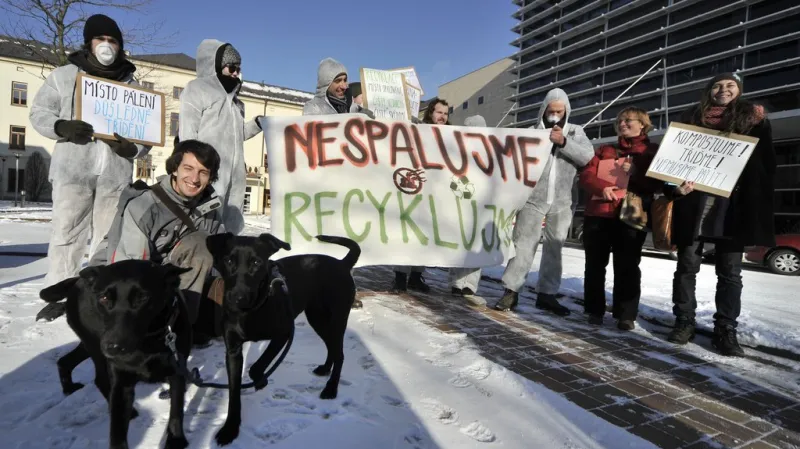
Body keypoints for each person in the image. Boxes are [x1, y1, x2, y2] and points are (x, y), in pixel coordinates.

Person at [30, 14, 151, 289]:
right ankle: (60, 288)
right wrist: (61, 126)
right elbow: (39, 112)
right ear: (89, 42)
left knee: (109, 237)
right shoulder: (64, 76)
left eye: (113, 41)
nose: (106, 45)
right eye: (101, 39)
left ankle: (101, 291)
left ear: (120, 46)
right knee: (67, 232)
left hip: (115, 175)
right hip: (73, 171)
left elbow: (145, 132)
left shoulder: (131, 87)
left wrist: (134, 149)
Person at [666, 73, 775, 356]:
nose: (723, 89)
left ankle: (726, 329)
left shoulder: (754, 120)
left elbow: (766, 164)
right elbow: (671, 163)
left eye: (730, 85)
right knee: (686, 267)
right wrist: (675, 188)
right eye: (717, 84)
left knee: (730, 273)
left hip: (733, 208)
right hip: (695, 204)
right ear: (708, 90)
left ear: (738, 91)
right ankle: (684, 321)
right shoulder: (690, 119)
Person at [95, 139, 224, 325]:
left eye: (203, 172)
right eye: (188, 168)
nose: (195, 179)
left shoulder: (210, 210)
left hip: (169, 278)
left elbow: (222, 256)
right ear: (174, 169)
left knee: (203, 244)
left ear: (210, 177)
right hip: (120, 274)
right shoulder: (144, 205)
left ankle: (182, 325)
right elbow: (131, 265)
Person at [492, 88, 594, 316]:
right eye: (551, 110)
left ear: (566, 110)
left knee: (554, 248)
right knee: (522, 245)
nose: (555, 114)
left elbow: (587, 157)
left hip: (562, 200)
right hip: (532, 199)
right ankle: (511, 290)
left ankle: (547, 294)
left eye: (560, 110)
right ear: (544, 110)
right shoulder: (531, 132)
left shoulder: (576, 132)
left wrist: (564, 142)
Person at [579, 107, 661, 330]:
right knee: (595, 265)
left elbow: (658, 183)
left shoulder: (651, 151)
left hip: (631, 216)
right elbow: (586, 175)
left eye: (628, 120)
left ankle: (625, 315)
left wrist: (636, 172)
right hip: (599, 214)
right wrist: (602, 187)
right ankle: (594, 310)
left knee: (628, 266)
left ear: (642, 123)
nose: (623, 124)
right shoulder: (605, 149)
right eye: (620, 121)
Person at [179, 39, 262, 236]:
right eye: (231, 68)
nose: (236, 73)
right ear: (215, 66)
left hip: (235, 176)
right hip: (208, 173)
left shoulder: (237, 103)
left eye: (238, 69)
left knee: (231, 230)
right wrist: (194, 169)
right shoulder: (196, 89)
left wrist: (257, 124)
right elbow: (188, 134)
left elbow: (237, 135)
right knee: (204, 227)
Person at [389, 98, 452, 293]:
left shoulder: (452, 135)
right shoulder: (418, 130)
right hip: (414, 188)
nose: (442, 117)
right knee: (407, 234)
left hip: (435, 192)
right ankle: (400, 277)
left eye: (446, 114)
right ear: (431, 113)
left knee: (425, 235)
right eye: (439, 112)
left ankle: (416, 276)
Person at [448, 115, 489, 307]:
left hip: (480, 204)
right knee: (458, 243)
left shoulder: (489, 153)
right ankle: (456, 282)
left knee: (476, 243)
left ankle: (470, 285)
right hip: (459, 201)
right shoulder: (455, 152)